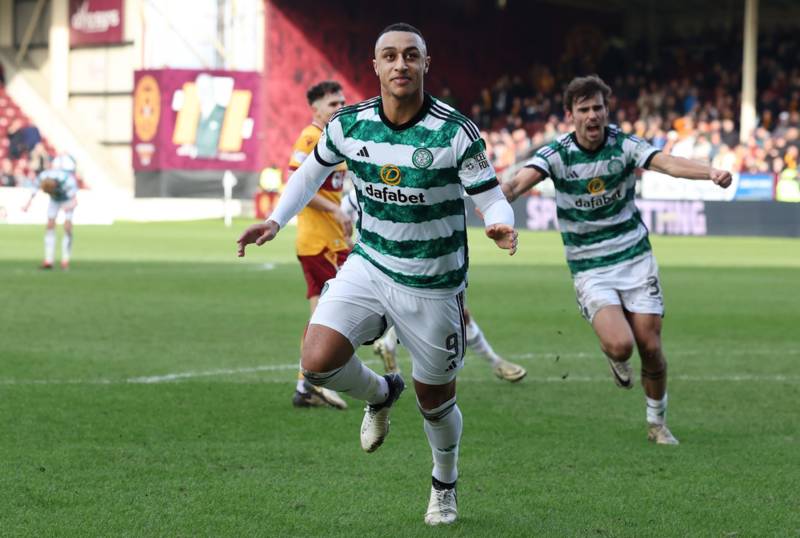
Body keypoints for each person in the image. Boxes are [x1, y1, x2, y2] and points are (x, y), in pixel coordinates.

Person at [237, 23, 517, 526]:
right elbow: (309, 174)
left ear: (425, 64)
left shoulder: (455, 131)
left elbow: (492, 196)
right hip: (369, 264)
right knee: (316, 361)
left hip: (433, 282)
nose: (400, 64)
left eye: (410, 55)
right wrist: (275, 221)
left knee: (436, 401)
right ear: (375, 67)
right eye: (389, 56)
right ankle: (381, 392)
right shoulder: (349, 125)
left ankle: (444, 483)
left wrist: (500, 222)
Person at [502, 75, 732, 445]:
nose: (593, 115)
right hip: (590, 266)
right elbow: (515, 185)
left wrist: (710, 172)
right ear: (570, 115)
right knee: (621, 345)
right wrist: (495, 207)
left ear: (607, 111)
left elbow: (667, 163)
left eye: (598, 108)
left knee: (651, 347)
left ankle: (657, 424)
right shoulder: (557, 154)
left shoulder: (624, 145)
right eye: (584, 109)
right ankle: (615, 355)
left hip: (634, 258)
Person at [341, 187, 527, 381]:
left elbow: (486, 193)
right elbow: (345, 206)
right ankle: (494, 362)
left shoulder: (445, 183)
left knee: (454, 315)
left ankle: (388, 346)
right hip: (408, 267)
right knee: (449, 317)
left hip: (438, 265)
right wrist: (348, 240)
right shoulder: (386, 183)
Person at [287, 81, 352, 411]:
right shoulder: (311, 138)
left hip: (331, 241)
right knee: (332, 312)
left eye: (342, 102)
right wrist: (336, 211)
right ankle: (312, 379)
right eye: (332, 104)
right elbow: (297, 185)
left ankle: (307, 384)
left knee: (322, 313)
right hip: (321, 243)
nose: (340, 108)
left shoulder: (333, 139)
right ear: (315, 109)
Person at [22, 154, 79, 270]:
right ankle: (49, 260)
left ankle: (65, 259)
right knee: (50, 225)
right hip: (54, 201)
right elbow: (34, 189)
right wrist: (28, 203)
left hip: (67, 200)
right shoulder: (44, 176)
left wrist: (68, 206)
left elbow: (74, 199)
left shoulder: (68, 180)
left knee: (67, 227)